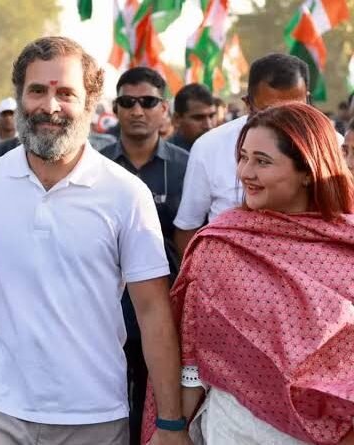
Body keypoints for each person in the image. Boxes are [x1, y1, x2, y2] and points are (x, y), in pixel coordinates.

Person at [0, 36, 188, 445]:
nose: (50, 106)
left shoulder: (126, 194)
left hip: (94, 418)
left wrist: (171, 423)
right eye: (37, 91)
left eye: (65, 93)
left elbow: (153, 310)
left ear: (90, 103)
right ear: (20, 97)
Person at [144, 102, 354, 444]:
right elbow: (193, 356)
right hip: (238, 430)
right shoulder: (222, 245)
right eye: (242, 157)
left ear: (307, 170)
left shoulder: (346, 244)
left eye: (262, 161)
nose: (245, 173)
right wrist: (171, 428)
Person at [100, 66, 189, 445]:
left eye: (148, 102)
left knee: (157, 400)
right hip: (104, 308)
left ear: (164, 109)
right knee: (110, 398)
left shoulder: (186, 167)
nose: (137, 111)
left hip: (164, 307)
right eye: (128, 102)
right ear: (115, 108)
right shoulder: (95, 167)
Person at [173, 53, 312, 256]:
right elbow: (188, 227)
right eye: (270, 112)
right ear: (248, 104)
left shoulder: (331, 145)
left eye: (294, 110)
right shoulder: (210, 147)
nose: (283, 123)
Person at [168, 83, 216, 152]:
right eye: (198, 118)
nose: (208, 125)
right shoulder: (166, 156)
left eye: (211, 116)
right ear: (177, 119)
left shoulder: (225, 150)